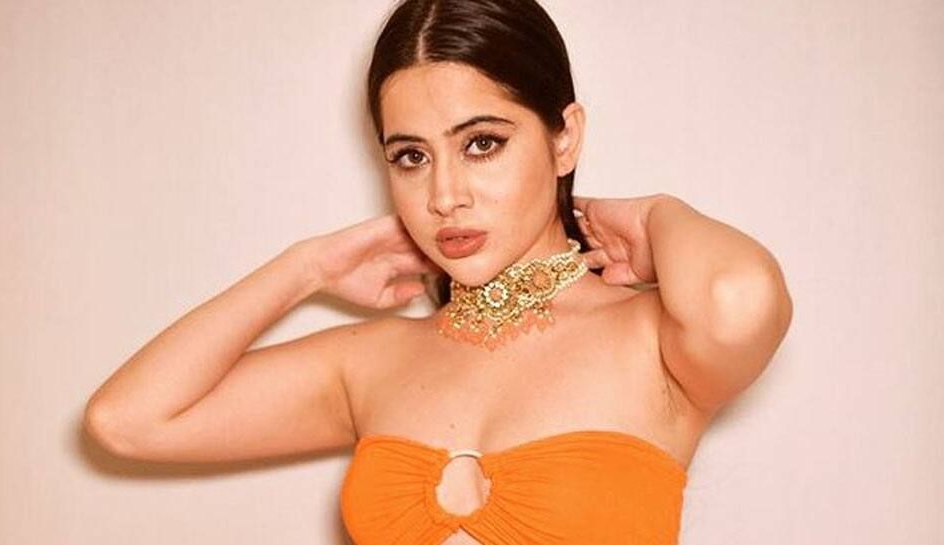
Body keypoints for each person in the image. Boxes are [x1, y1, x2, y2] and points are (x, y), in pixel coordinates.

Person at [84, 0, 793, 543]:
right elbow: (129, 420)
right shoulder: (376, 360)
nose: (444, 195)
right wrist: (306, 267)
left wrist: (655, 216)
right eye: (411, 157)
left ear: (565, 137)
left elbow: (742, 295)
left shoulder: (651, 339)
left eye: (481, 143)